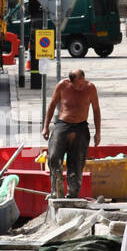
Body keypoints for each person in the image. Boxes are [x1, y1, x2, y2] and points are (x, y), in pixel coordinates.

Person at [42, 68, 101, 198]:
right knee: (54, 157)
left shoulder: (90, 88)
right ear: (71, 81)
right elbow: (52, 105)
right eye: (77, 84)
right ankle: (56, 190)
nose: (80, 87)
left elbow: (96, 110)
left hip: (81, 127)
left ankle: (73, 193)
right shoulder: (63, 86)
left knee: (77, 162)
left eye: (82, 82)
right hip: (63, 124)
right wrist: (45, 127)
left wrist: (98, 132)